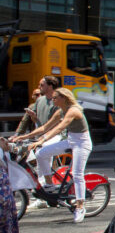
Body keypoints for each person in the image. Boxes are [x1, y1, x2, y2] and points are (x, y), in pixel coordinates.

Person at [21, 88, 92, 223]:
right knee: (41, 153)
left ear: (64, 98)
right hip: (70, 141)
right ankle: (50, 184)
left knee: (77, 174)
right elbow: (44, 128)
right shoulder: (61, 111)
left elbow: (59, 128)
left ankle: (80, 206)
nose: (52, 100)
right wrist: (24, 137)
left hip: (82, 143)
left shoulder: (73, 110)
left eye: (55, 98)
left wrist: (41, 140)